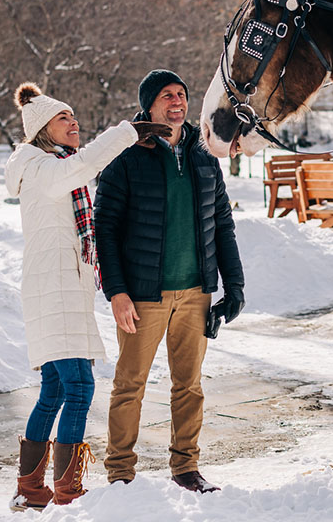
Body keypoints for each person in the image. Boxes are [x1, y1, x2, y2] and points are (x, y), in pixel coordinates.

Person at [4, 82, 170, 511]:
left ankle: (31, 488)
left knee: (55, 389)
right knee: (78, 387)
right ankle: (67, 490)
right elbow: (81, 168)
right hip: (52, 288)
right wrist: (128, 132)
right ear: (43, 128)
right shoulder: (42, 168)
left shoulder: (51, 166)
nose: (74, 121)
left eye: (73, 115)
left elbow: (79, 171)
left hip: (58, 289)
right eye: (64, 117)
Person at [94, 69, 246, 492]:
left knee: (189, 386)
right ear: (149, 105)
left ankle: (185, 467)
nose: (177, 101)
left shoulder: (202, 151)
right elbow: (104, 227)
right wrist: (117, 292)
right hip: (144, 295)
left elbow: (223, 222)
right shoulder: (125, 155)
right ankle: (121, 473)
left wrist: (234, 286)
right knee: (129, 386)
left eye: (181, 94)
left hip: (196, 292)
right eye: (166, 96)